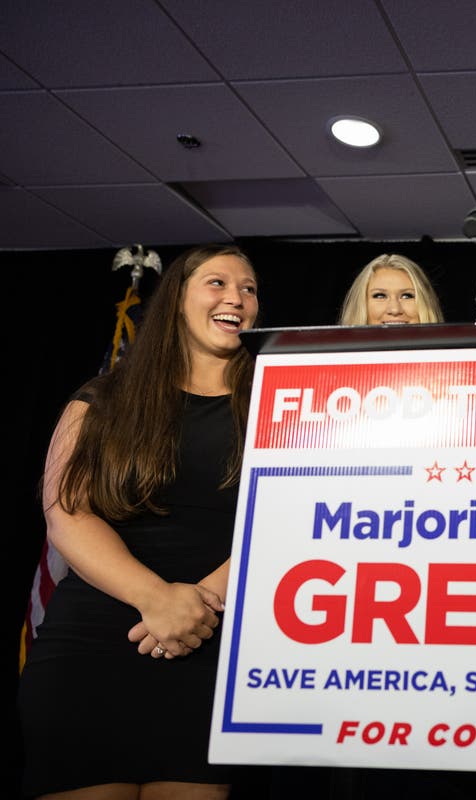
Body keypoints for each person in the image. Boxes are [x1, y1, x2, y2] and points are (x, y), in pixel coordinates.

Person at [18, 244, 261, 799]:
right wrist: (157, 599)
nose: (237, 298)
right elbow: (68, 516)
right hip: (91, 648)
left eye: (249, 288)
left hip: (213, 641)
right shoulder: (102, 398)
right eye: (218, 283)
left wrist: (196, 604)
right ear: (176, 298)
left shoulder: (280, 403)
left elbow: (287, 518)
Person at [338, 252, 444, 325]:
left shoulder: (453, 357)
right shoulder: (335, 358)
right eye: (380, 296)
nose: (394, 310)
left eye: (407, 296)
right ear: (360, 305)